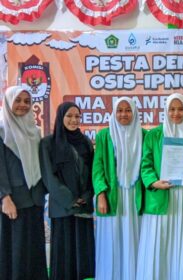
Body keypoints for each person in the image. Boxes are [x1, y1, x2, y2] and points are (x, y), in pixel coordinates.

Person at [136, 93, 183, 280]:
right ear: (165, 110)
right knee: (159, 243)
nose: (176, 113)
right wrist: (153, 182)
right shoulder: (154, 135)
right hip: (160, 196)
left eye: (180, 108)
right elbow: (145, 165)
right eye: (172, 109)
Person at [40, 102, 95, 280]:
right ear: (61, 117)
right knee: (64, 255)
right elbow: (49, 177)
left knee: (83, 253)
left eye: (77, 116)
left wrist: (86, 197)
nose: (73, 120)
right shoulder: (48, 143)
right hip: (63, 208)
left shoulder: (85, 142)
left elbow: (92, 174)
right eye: (69, 116)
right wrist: (70, 200)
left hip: (83, 207)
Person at [93, 97, 146, 279]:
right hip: (112, 196)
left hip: (136, 196)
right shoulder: (104, 136)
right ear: (114, 113)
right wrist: (101, 193)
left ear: (135, 112)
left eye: (128, 110)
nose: (124, 114)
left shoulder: (144, 135)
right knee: (112, 238)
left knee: (136, 238)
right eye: (120, 110)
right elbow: (98, 167)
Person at [0, 86, 48, 280]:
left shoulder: (35, 131)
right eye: (18, 100)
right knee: (15, 249)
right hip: (13, 202)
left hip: (35, 199)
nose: (22, 105)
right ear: (9, 102)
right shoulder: (2, 130)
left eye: (27, 101)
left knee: (34, 249)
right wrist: (5, 197)